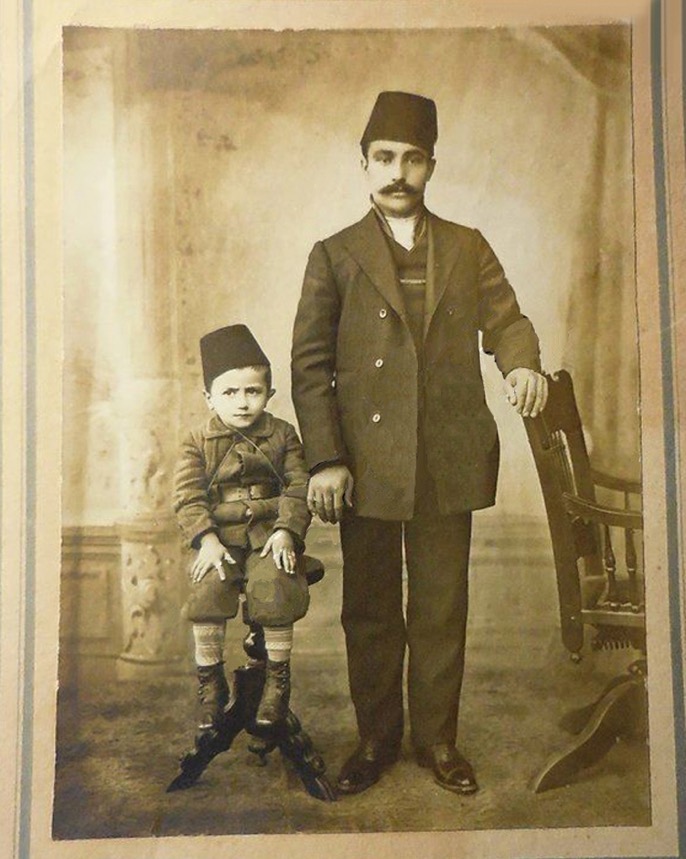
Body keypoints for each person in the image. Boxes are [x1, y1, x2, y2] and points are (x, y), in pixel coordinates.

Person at [291, 91, 548, 796]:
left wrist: (521, 360)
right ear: (363, 164)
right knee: (371, 608)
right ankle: (376, 738)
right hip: (365, 466)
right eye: (383, 158)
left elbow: (507, 317)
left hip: (444, 458)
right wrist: (327, 458)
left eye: (411, 158)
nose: (397, 171)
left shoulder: (467, 246)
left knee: (441, 603)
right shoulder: (334, 255)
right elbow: (310, 366)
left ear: (431, 165)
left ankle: (438, 739)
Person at [173, 324, 311, 734]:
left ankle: (276, 683)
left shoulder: (283, 434)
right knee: (208, 589)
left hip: (270, 537)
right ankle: (210, 685)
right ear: (209, 397)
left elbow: (299, 485)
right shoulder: (197, 440)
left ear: (269, 394)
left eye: (252, 391)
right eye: (229, 393)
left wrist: (286, 531)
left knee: (274, 584)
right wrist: (207, 541)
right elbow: (187, 495)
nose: (242, 402)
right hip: (222, 541)